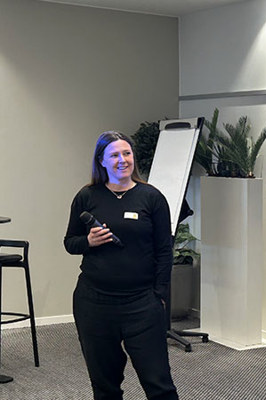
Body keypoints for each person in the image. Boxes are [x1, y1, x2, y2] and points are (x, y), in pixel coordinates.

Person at [64, 131, 179, 400]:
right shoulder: (87, 196)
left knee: (159, 384)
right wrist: (89, 241)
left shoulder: (151, 197)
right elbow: (70, 242)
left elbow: (164, 251)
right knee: (104, 386)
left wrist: (159, 294)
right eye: (114, 155)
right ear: (102, 161)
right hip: (94, 303)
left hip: (141, 303)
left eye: (126, 153)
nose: (122, 160)